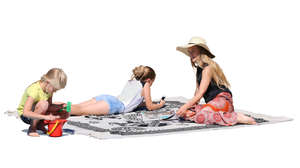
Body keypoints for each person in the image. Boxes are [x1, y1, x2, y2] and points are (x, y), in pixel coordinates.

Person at [176, 37, 256, 126]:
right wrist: (191, 108)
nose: (191, 54)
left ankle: (236, 117)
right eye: (189, 52)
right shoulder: (199, 69)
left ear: (201, 51)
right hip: (212, 104)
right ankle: (224, 116)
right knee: (185, 114)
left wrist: (186, 106)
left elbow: (200, 93)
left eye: (193, 51)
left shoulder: (208, 68)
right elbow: (197, 92)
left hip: (222, 100)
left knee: (200, 116)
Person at [70, 65, 165, 116]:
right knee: (81, 111)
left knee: (77, 106)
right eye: (153, 81)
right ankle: (59, 110)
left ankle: (58, 107)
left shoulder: (134, 79)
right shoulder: (146, 85)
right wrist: (160, 104)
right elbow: (150, 107)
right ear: (149, 80)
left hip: (109, 98)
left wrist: (143, 104)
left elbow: (133, 100)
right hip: (115, 105)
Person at [17, 68, 67, 136]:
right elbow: (25, 112)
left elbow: (49, 106)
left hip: (39, 113)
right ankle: (32, 128)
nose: (55, 91)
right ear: (48, 82)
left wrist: (61, 107)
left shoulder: (49, 89)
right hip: (26, 116)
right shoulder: (34, 90)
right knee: (43, 104)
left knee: (65, 112)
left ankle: (39, 125)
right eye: (55, 89)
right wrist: (45, 117)